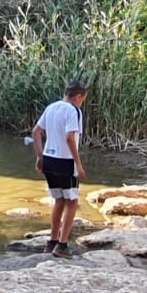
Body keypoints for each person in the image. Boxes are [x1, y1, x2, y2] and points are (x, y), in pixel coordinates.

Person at [32, 81, 88, 258]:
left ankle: (52, 241)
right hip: (65, 161)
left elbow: (36, 132)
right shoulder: (73, 110)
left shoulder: (51, 107)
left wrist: (40, 157)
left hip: (49, 159)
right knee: (72, 201)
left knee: (59, 200)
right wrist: (78, 164)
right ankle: (62, 246)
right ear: (78, 96)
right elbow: (70, 137)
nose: (82, 103)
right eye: (82, 100)